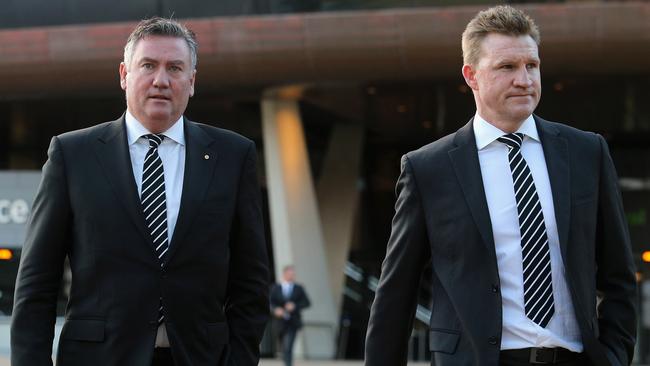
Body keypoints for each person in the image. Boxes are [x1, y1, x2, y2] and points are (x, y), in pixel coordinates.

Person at [365, 5, 636, 366]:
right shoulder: (428, 168)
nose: (524, 80)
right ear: (471, 76)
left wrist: (614, 357)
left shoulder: (587, 152)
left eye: (532, 66)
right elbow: (395, 295)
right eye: (507, 67)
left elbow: (619, 275)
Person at [11, 17, 270, 366]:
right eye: (148, 65)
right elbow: (36, 284)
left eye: (175, 68)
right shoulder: (73, 155)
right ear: (124, 74)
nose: (161, 80)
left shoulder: (233, 156)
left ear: (191, 82)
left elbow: (250, 282)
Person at [270, 265, 311, 366]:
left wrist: (295, 306)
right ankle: (286, 362)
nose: (291, 275)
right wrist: (275, 310)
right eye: (289, 273)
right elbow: (269, 302)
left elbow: (307, 302)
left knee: (288, 346)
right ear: (284, 274)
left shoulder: (299, 288)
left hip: (293, 322)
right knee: (283, 347)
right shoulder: (275, 288)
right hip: (279, 322)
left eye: (293, 274)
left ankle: (288, 364)